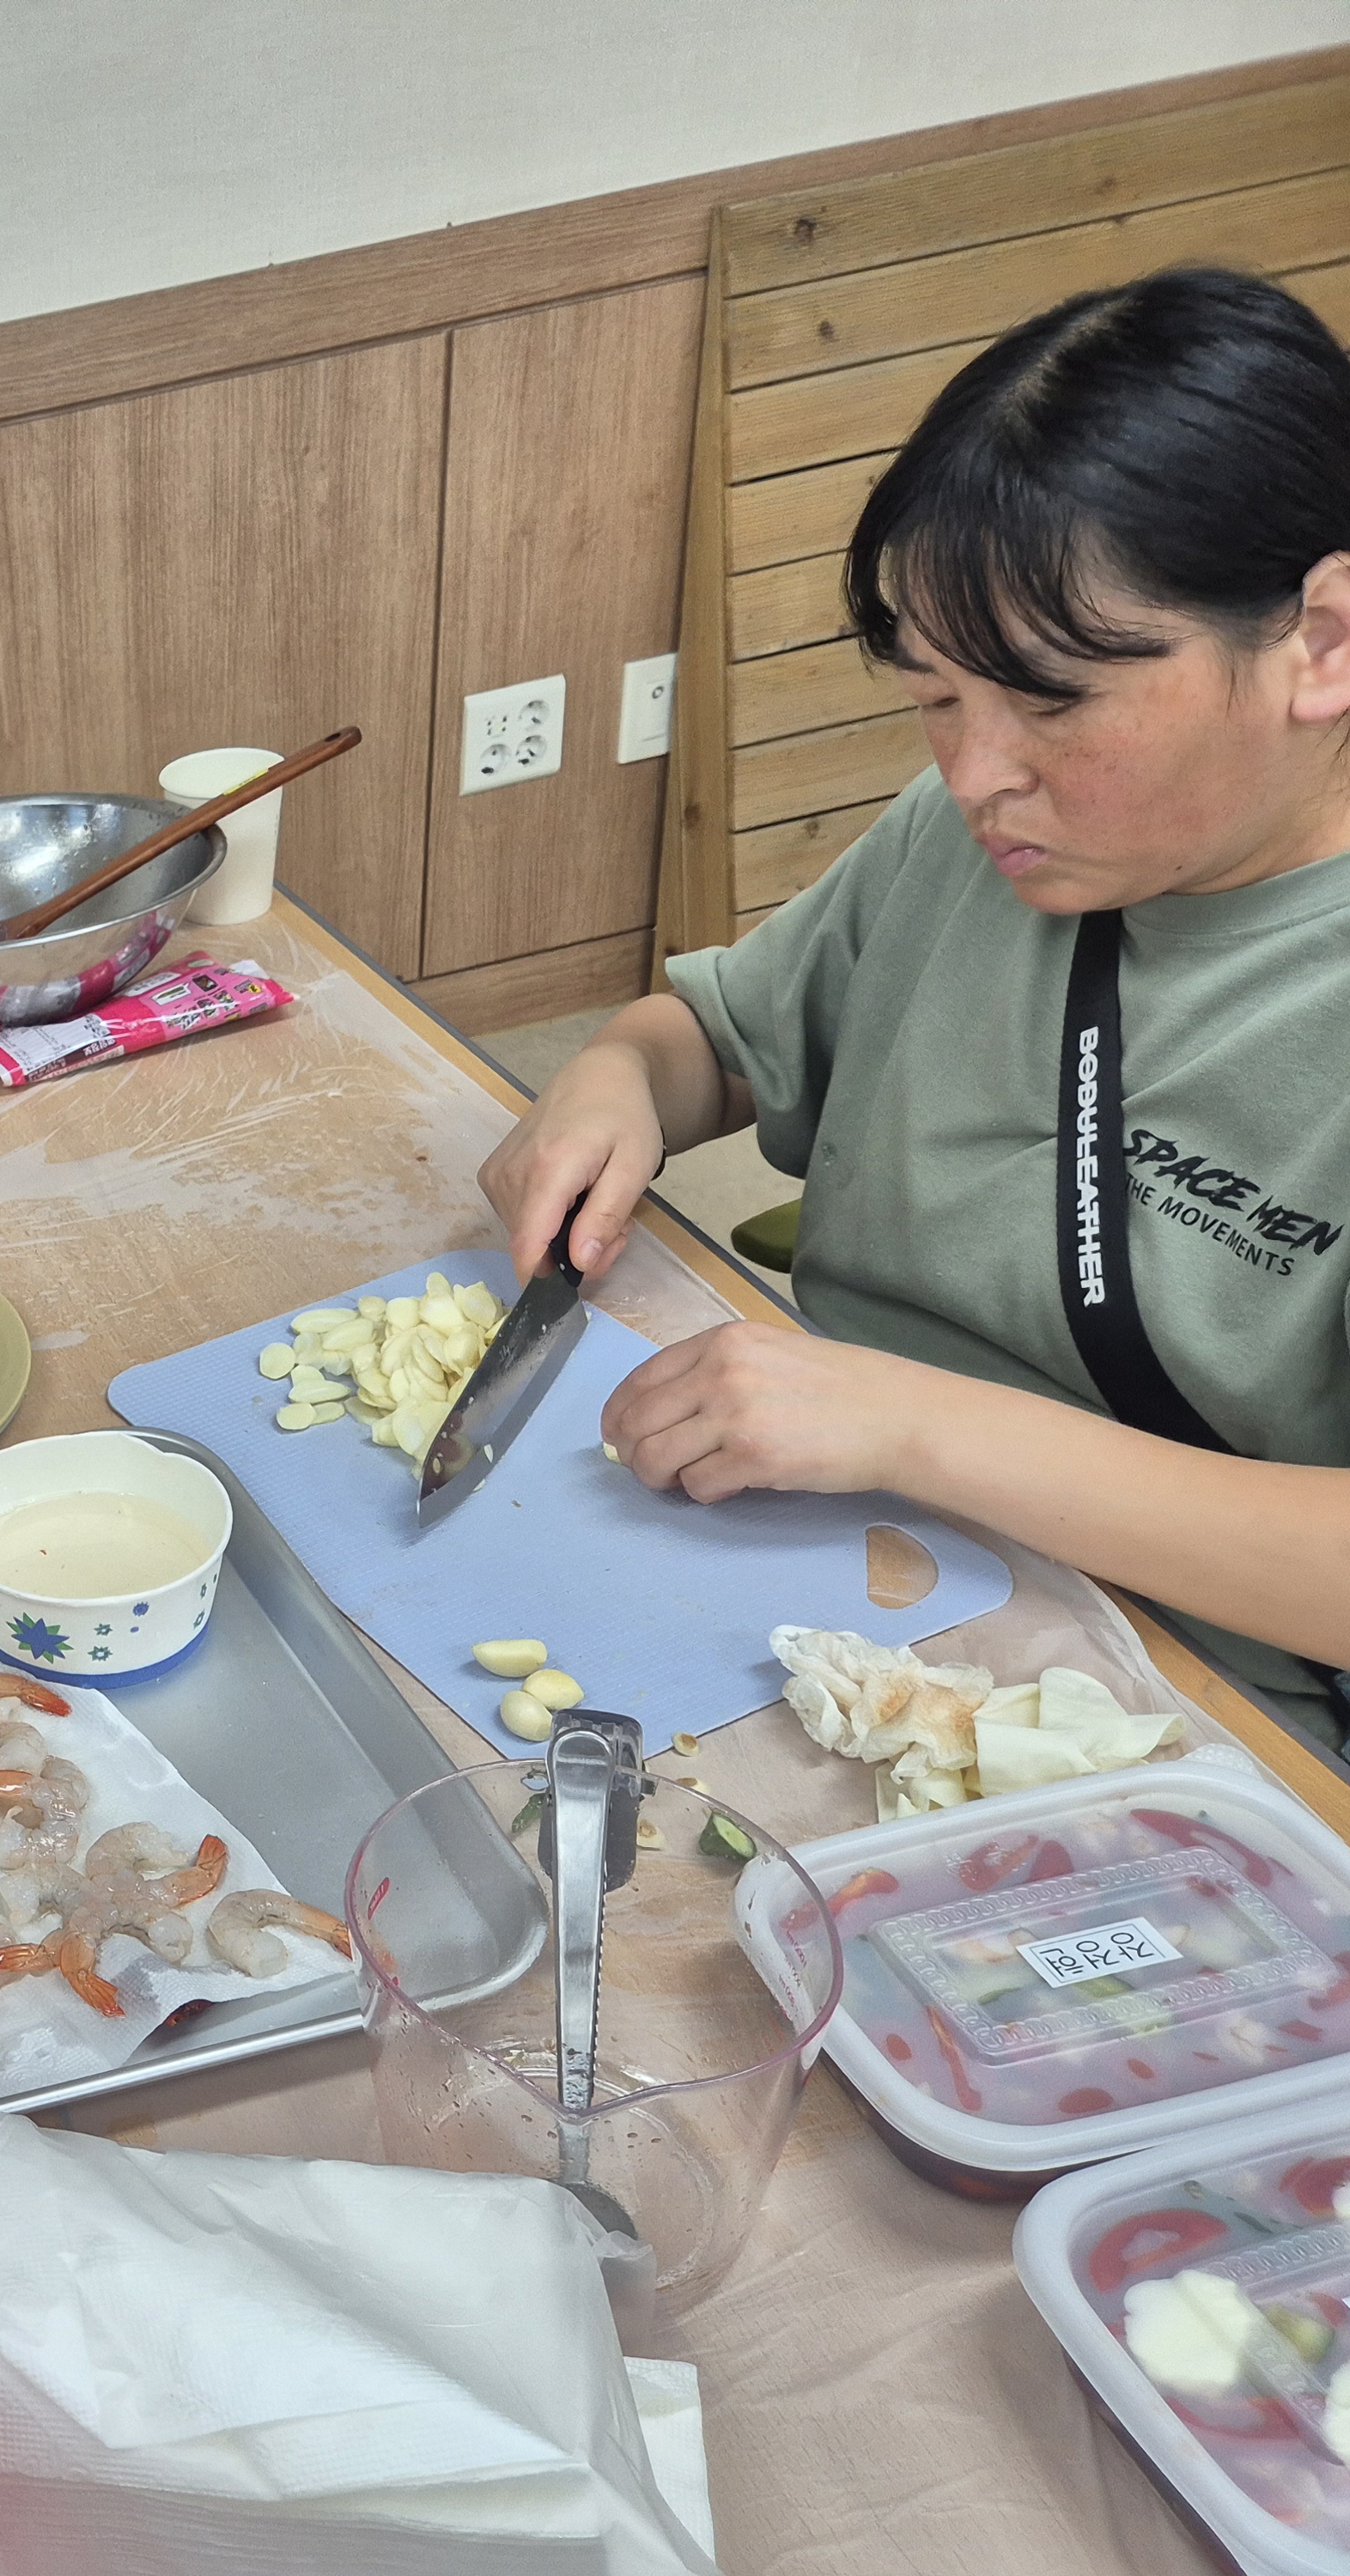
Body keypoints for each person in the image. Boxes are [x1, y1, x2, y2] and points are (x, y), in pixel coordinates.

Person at [480, 266, 1350, 1736]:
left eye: (1052, 699)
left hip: (1182, 1698)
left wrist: (906, 1422)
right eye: (935, 696)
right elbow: (721, 1039)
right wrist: (616, 1080)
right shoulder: (975, 836)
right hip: (816, 1562)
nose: (976, 775)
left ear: (1322, 640)